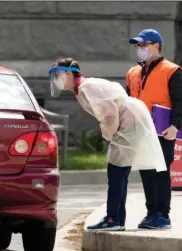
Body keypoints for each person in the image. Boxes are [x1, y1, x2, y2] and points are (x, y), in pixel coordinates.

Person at [48, 57, 167, 231]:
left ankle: (114, 219)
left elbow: (109, 113)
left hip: (127, 122)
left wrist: (108, 134)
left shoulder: (86, 87)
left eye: (58, 75)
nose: (57, 80)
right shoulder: (83, 88)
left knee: (117, 172)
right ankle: (116, 218)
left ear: (68, 73)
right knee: (119, 172)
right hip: (128, 120)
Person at [126, 29, 182, 229]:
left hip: (163, 129)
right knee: (146, 171)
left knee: (160, 172)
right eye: (138, 46)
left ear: (156, 46)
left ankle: (163, 214)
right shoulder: (133, 72)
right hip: (140, 129)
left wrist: (175, 125)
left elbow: (180, 101)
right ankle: (151, 211)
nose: (140, 49)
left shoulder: (172, 70)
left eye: (143, 45)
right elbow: (128, 101)